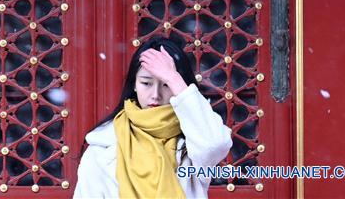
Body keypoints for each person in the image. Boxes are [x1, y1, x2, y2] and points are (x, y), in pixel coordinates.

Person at [73, 37, 233, 198]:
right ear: (134, 84)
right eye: (146, 83)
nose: (155, 95)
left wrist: (174, 78)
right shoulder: (103, 145)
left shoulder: (193, 141)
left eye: (166, 85)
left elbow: (215, 144)